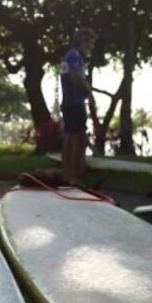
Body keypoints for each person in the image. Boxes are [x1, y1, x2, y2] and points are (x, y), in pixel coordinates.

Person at [60, 27, 97, 185]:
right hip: (74, 102)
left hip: (69, 102)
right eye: (91, 42)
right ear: (84, 41)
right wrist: (89, 93)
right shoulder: (74, 56)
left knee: (70, 137)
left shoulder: (71, 56)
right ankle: (74, 177)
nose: (92, 46)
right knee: (78, 138)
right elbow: (75, 77)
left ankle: (67, 174)